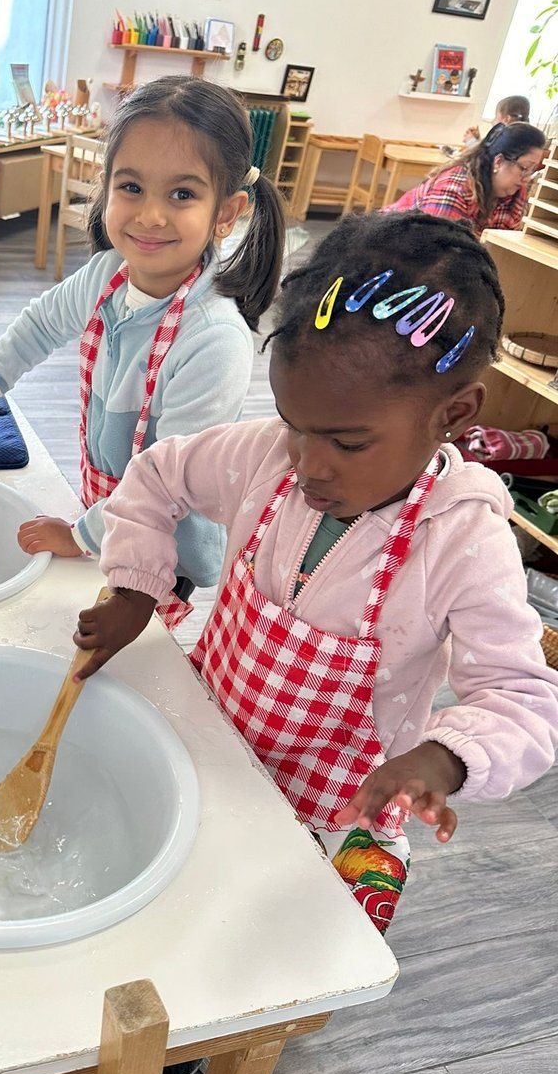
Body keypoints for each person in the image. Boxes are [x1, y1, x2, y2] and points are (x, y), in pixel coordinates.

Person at [72, 211, 558, 941]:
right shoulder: (264, 455)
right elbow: (155, 475)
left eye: (347, 441)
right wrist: (137, 584)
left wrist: (447, 755)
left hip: (335, 811)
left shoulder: (463, 539)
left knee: (267, 945)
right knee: (168, 906)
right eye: (294, 422)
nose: (308, 463)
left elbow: (524, 699)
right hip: (208, 744)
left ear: (453, 415)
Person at [0, 75, 286, 629]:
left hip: (163, 544)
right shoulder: (107, 274)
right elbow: (41, 323)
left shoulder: (214, 341)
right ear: (105, 187)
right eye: (131, 187)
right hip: (108, 505)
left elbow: (168, 487)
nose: (151, 215)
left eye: (182, 195)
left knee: (134, 657)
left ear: (226, 213)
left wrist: (79, 535)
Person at [385, 121, 546, 237]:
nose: (526, 178)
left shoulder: (515, 193)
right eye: (524, 168)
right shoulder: (454, 187)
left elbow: (504, 246)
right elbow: (435, 249)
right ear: (498, 162)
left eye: (532, 170)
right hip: (390, 248)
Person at [464, 93, 530, 145]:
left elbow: (484, 158)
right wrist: (478, 141)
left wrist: (471, 141)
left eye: (495, 117)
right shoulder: (524, 137)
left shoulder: (506, 139)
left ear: (507, 119)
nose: (492, 122)